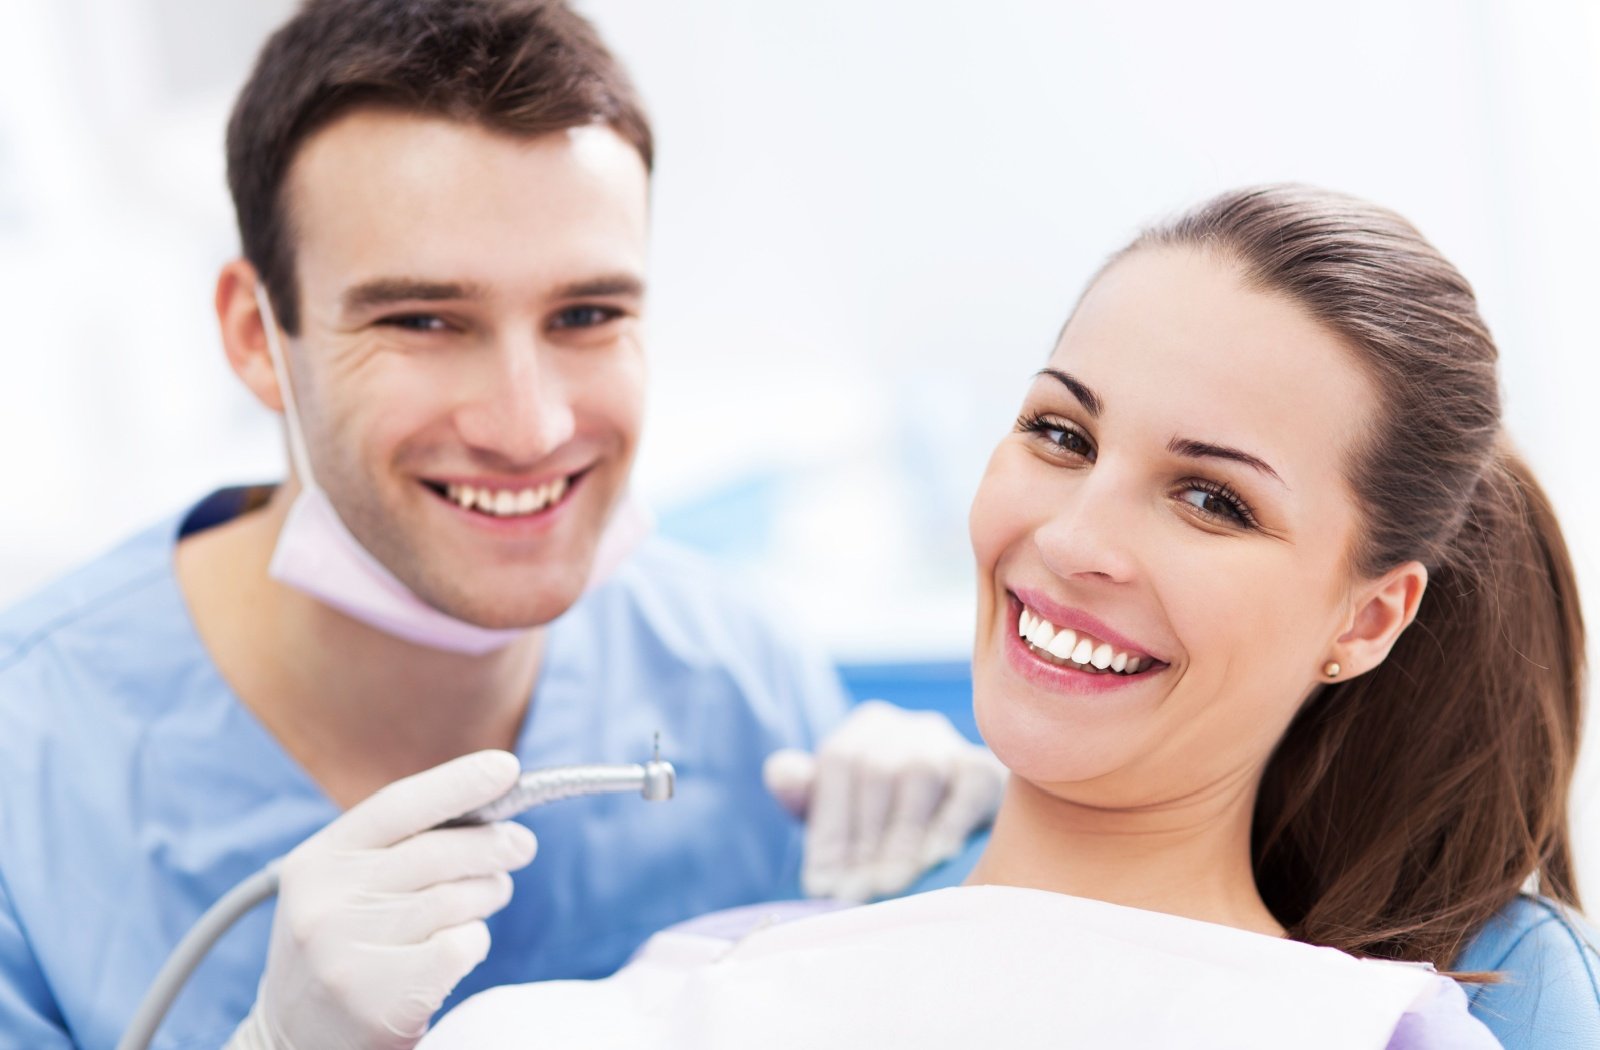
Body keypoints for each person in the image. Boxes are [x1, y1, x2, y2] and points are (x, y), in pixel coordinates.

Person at [0, 2, 1003, 1048]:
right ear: (258, 337)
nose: (530, 426)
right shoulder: (29, 766)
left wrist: (966, 881)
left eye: (587, 315)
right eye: (423, 321)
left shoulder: (740, 682)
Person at [420, 184, 1596, 1049]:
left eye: (1210, 500)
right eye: (1060, 434)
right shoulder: (653, 1002)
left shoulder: (1373, 1034)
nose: (1077, 539)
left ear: (1368, 619)